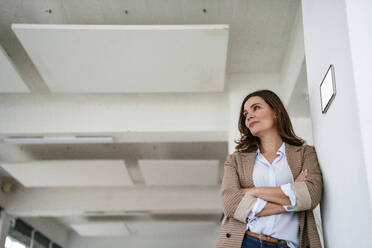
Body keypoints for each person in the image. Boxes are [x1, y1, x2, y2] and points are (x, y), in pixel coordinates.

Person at [216, 90, 323, 248]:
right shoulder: (235, 160)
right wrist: (292, 198)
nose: (249, 116)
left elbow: (310, 195)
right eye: (246, 114)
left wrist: (252, 191)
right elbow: (231, 203)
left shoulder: (305, 153)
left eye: (256, 108)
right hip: (245, 241)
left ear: (276, 111)